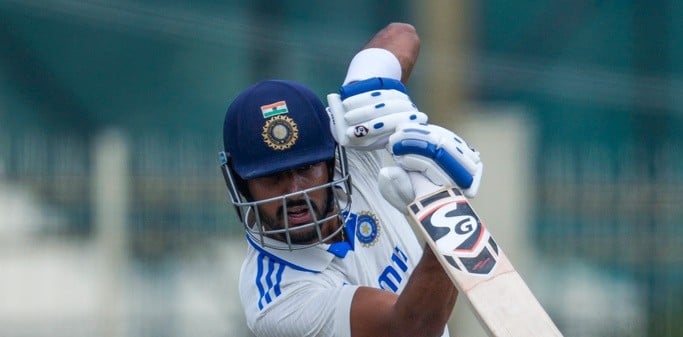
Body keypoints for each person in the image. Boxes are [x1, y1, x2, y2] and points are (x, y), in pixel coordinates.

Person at [219, 23, 483, 337]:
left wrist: (372, 85)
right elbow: (412, 329)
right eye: (272, 178)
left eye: (306, 168)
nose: (295, 191)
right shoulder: (277, 299)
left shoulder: (348, 148)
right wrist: (446, 219)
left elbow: (402, 35)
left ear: (332, 160)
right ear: (242, 184)